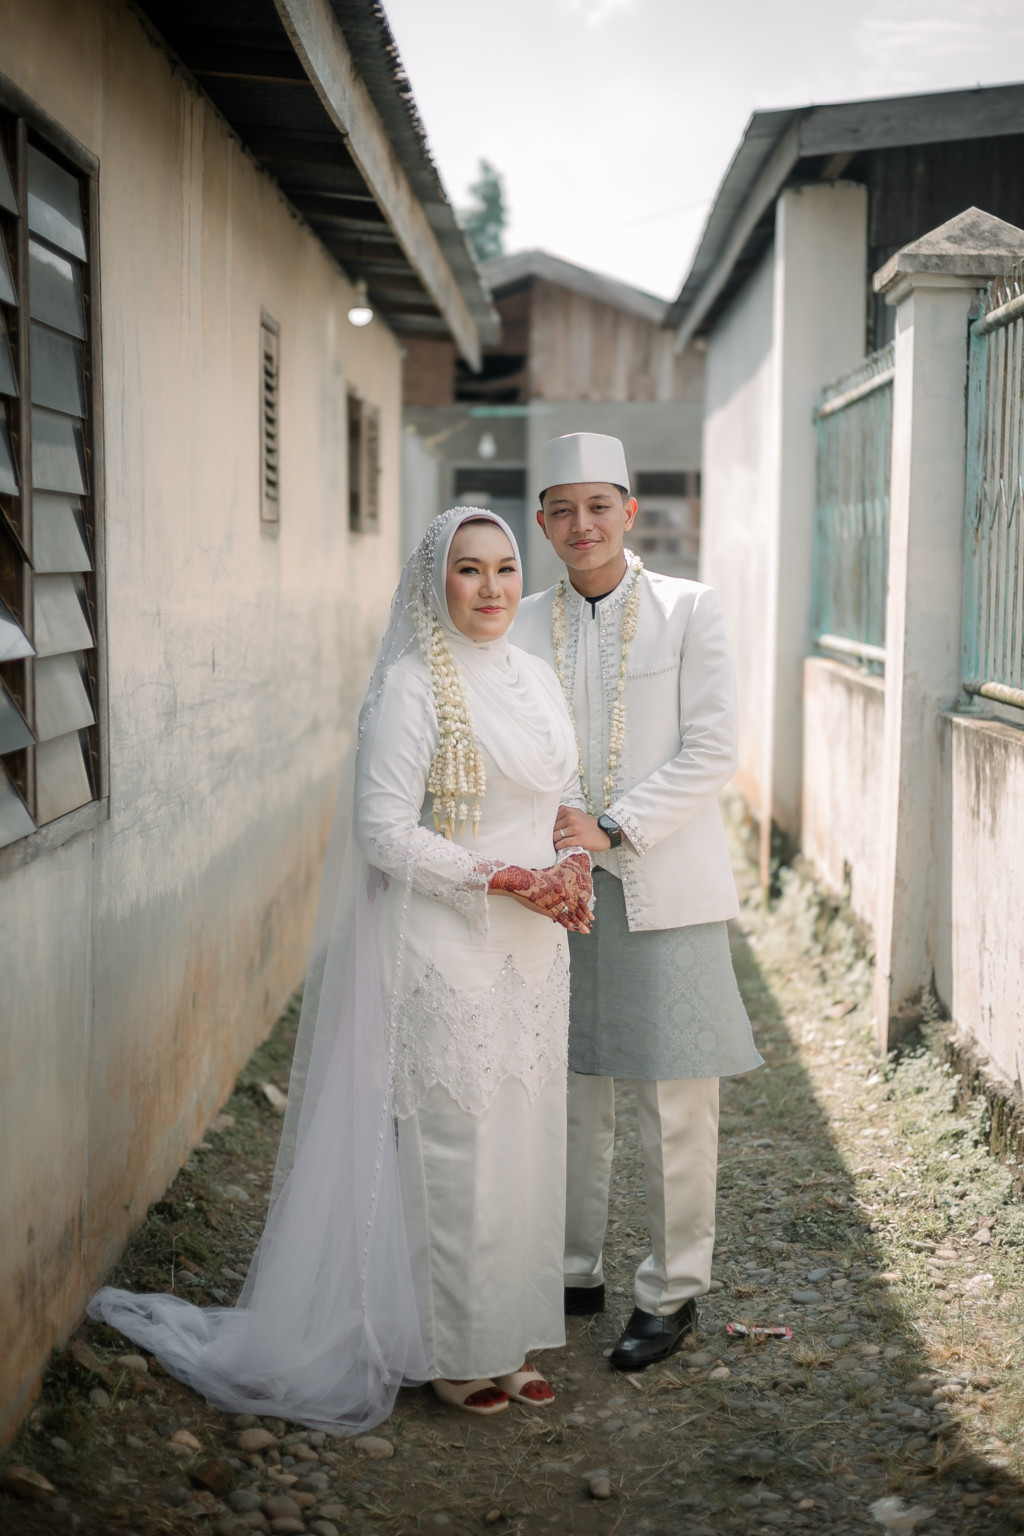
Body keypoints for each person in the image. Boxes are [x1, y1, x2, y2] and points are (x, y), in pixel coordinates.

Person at [90, 506, 593, 1427]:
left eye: (505, 568)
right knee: (455, 1147)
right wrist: (504, 877)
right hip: (447, 943)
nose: (491, 588)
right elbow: (383, 831)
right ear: (435, 581)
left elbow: (563, 797)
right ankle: (448, 1350)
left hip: (535, 948)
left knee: (526, 1140)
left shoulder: (534, 676)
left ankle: (508, 1334)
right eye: (469, 569)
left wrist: (570, 864)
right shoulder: (412, 684)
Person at [513, 433, 762, 1371]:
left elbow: (713, 747)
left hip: (665, 884)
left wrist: (613, 826)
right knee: (567, 1086)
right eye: (563, 510)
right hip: (552, 891)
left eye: (598, 506)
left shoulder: (689, 609)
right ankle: (570, 1270)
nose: (582, 525)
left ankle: (670, 1293)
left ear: (628, 511)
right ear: (543, 523)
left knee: (674, 1098)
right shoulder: (519, 623)